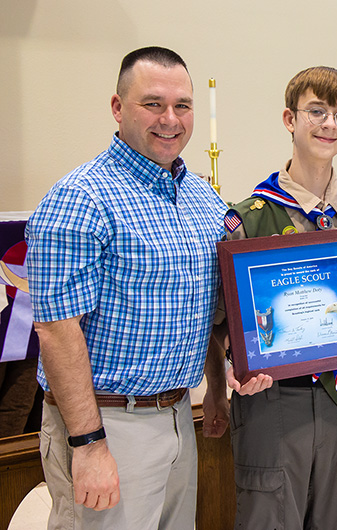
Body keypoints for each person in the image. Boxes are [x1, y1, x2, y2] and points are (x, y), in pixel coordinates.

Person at [25, 46, 228, 530]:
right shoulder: (79, 198)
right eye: (152, 103)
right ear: (117, 109)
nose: (170, 119)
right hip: (108, 425)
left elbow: (206, 309)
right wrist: (88, 444)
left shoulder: (202, 197)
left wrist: (217, 386)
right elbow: (56, 331)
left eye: (183, 105)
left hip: (179, 413)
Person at [204, 66, 337, 530]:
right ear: (289, 119)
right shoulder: (248, 217)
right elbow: (218, 320)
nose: (329, 123)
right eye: (316, 111)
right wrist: (235, 364)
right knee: (270, 517)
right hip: (274, 405)